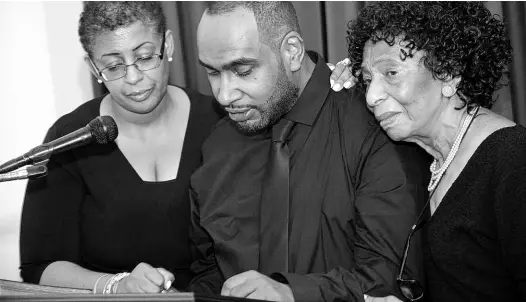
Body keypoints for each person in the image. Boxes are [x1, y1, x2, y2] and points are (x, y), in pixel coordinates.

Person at [188, 2, 431, 301]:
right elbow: (208, 269)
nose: (224, 94)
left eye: (243, 70)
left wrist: (293, 294)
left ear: (292, 51)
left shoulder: (376, 126)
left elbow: (393, 280)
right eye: (212, 72)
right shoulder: (217, 146)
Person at [19, 2, 222, 294]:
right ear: (93, 67)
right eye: (113, 65)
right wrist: (116, 286)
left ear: (168, 45)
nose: (133, 77)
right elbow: (40, 266)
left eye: (144, 57)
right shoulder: (70, 139)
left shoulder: (219, 124)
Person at [342, 2, 526, 301]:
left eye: (391, 72)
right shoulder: (428, 158)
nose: (372, 96)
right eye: (367, 80)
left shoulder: (513, 161)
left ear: (449, 73)